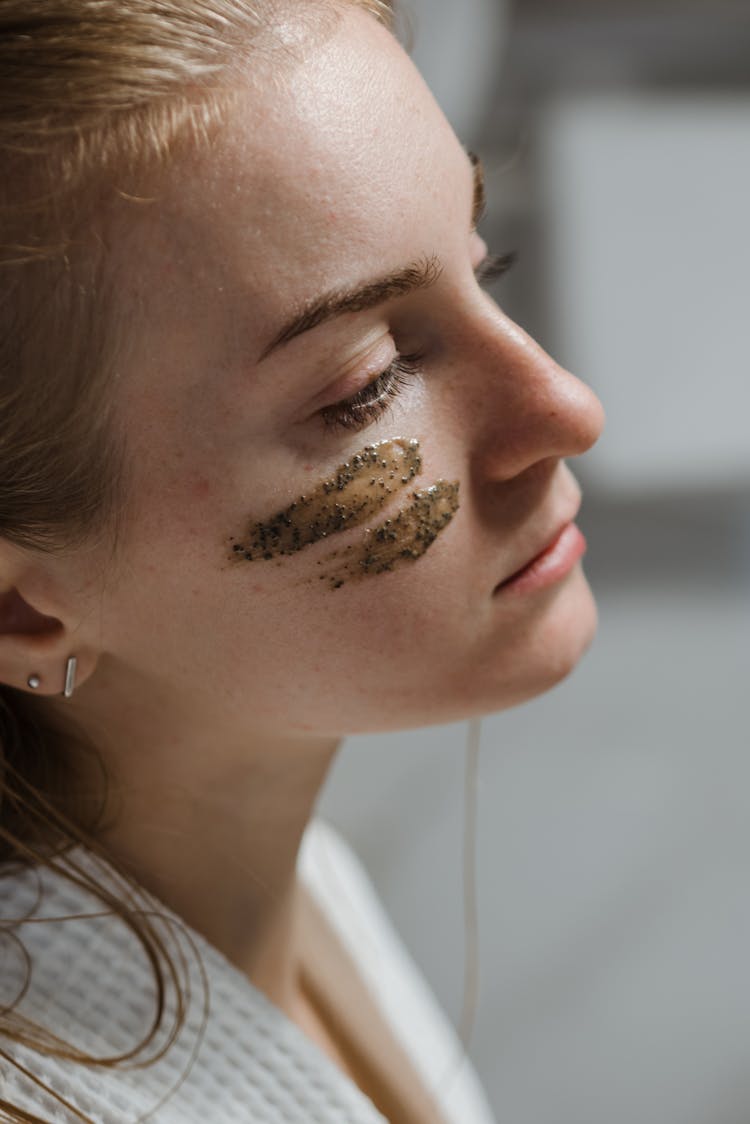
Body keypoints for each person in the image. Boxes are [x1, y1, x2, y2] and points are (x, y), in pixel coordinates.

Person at [0, 1, 605, 1121]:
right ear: (18, 613)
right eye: (368, 383)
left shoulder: (285, 876)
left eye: (487, 265)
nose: (567, 407)